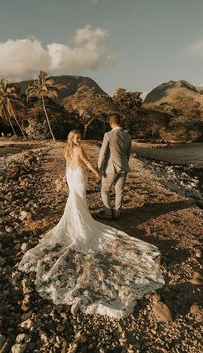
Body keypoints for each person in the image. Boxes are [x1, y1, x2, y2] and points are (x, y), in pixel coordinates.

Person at [18, 130, 164, 318]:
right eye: (77, 137)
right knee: (79, 199)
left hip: (71, 175)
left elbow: (67, 165)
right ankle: (81, 223)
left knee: (75, 200)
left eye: (79, 137)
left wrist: (67, 178)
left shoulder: (67, 149)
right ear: (72, 138)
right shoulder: (77, 148)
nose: (79, 140)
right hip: (77, 175)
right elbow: (86, 162)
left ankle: (77, 220)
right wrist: (97, 173)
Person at [97, 113, 131, 220]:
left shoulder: (108, 135)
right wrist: (124, 164)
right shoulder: (128, 136)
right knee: (119, 190)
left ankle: (108, 213)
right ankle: (117, 213)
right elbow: (128, 154)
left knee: (104, 190)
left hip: (111, 168)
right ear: (120, 122)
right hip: (124, 167)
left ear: (110, 123)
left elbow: (102, 153)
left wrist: (99, 168)